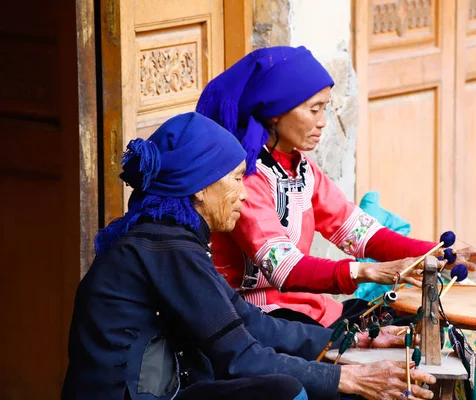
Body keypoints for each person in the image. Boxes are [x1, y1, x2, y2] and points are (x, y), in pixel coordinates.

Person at [61, 112, 437, 400]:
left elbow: (252, 324)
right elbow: (239, 356)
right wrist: (350, 378)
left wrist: (350, 343)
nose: (244, 193)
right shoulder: (165, 248)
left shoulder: (175, 241)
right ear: (198, 189)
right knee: (282, 391)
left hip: (169, 385)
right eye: (236, 178)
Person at [196, 46, 476, 327]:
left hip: (301, 306)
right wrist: (367, 271)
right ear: (275, 112)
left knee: (411, 322)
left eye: (325, 109)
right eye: (313, 110)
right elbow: (284, 267)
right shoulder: (247, 178)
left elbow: (362, 234)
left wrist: (437, 252)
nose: (322, 122)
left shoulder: (301, 168)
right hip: (254, 316)